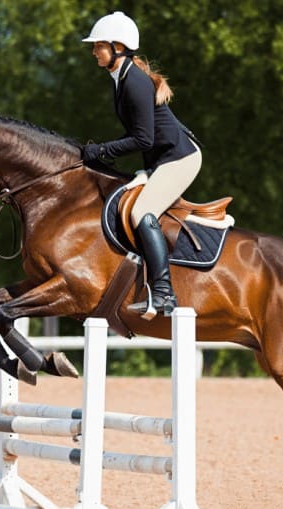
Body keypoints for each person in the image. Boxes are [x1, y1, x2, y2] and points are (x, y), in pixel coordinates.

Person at [81, 11, 202, 319]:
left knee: (140, 212)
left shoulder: (133, 81)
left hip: (180, 158)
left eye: (99, 45)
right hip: (161, 160)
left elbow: (143, 139)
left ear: (117, 46)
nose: (94, 51)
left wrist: (103, 150)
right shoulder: (121, 78)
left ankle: (163, 293)